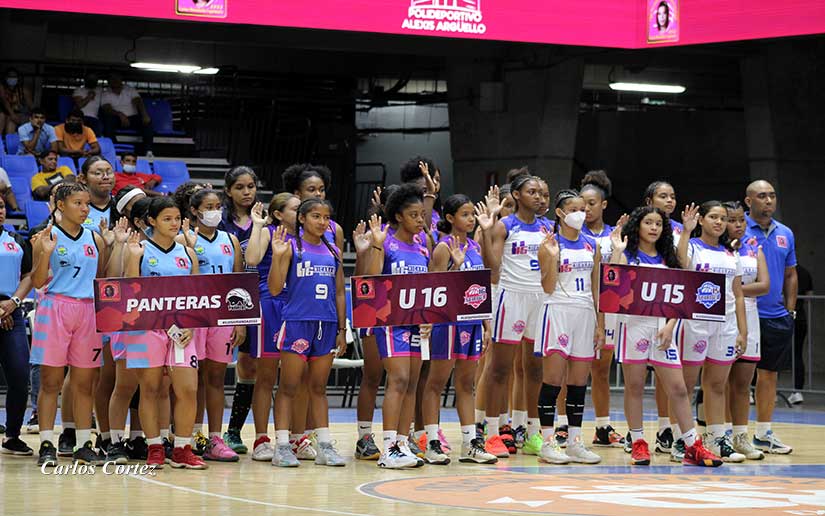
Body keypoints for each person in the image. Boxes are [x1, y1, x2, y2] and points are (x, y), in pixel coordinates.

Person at [609, 206, 722, 467]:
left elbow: (679, 296)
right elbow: (613, 286)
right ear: (638, 225)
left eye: (658, 224)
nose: (653, 228)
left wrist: (671, 326)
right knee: (634, 387)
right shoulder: (627, 254)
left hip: (662, 327)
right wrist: (616, 250)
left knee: (679, 389)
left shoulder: (667, 257)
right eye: (648, 222)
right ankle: (638, 442)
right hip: (633, 325)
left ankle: (693, 445)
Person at [123, 197, 205, 469]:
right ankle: (154, 447)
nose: (173, 223)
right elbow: (128, 293)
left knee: (188, 389)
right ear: (151, 221)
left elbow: (196, 297)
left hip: (180, 329)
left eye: (177, 218)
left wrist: (191, 325)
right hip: (146, 328)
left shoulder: (188, 254)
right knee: (150, 388)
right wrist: (133, 260)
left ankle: (182, 449)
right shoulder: (139, 250)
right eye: (166, 218)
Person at [29, 182, 108, 467]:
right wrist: (46, 252)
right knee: (50, 382)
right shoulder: (45, 237)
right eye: (78, 203)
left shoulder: (95, 239)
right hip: (55, 307)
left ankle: (83, 443)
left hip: (88, 311)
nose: (85, 208)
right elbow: (37, 282)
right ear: (61, 206)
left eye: (86, 203)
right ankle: (47, 442)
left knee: (84, 383)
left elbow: (100, 279)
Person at [268, 198, 347, 467]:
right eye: (316, 216)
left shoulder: (334, 250)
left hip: (325, 325)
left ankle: (324, 445)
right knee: (289, 386)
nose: (322, 222)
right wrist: (277, 257)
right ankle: (281, 445)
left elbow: (338, 292)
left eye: (326, 217)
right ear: (301, 218)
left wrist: (342, 327)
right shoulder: (290, 246)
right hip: (297, 322)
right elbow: (276, 289)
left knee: (318, 387)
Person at [420, 194, 497, 465]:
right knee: (436, 383)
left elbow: (483, 285)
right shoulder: (442, 248)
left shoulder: (475, 245)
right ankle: (431, 442)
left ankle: (470, 443)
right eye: (464, 214)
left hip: (472, 323)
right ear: (450, 218)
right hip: (446, 323)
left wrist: (487, 324)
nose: (470, 219)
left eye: (471, 214)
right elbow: (433, 288)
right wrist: (456, 265)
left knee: (466, 385)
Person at [478, 175, 552, 458]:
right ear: (518, 196)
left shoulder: (548, 227)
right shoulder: (504, 226)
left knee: (535, 370)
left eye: (541, 193)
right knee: (500, 370)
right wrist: (486, 232)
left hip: (539, 299)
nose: (538, 197)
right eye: (531, 192)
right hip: (511, 297)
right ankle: (493, 431)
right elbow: (492, 268)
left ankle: (533, 433)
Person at [360, 184, 432, 469]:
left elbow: (427, 288)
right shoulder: (384, 241)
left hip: (416, 322)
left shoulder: (422, 246)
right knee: (399, 379)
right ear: (399, 216)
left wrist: (427, 319)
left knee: (412, 382)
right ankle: (389, 447)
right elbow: (371, 280)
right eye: (414, 215)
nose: (420, 220)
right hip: (389, 321)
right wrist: (376, 245)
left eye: (422, 214)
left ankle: (403, 443)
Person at [533, 189, 603, 465]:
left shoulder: (591, 244)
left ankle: (575, 442)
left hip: (585, 314)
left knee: (578, 382)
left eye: (583, 208)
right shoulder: (549, 244)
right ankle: (548, 443)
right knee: (552, 380)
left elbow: (597, 287)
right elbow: (547, 286)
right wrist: (551, 258)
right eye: (574, 209)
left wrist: (601, 324)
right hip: (558, 311)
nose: (580, 213)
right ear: (561, 213)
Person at [677, 201, 748, 463]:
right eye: (713, 217)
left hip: (725, 325)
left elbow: (738, 294)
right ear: (702, 220)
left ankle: (716, 439)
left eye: (723, 218)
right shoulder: (693, 246)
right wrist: (686, 231)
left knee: (717, 385)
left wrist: (743, 331)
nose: (719, 222)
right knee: (684, 385)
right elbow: (681, 267)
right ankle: (681, 439)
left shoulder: (732, 255)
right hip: (695, 323)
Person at [179, 188, 245, 462]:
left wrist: (240, 322)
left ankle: (216, 437)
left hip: (223, 316)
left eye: (218, 205)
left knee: (216, 379)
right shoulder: (183, 240)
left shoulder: (231, 240)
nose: (215, 211)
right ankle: (193, 435)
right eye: (208, 206)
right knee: (192, 382)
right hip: (194, 318)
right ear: (194, 211)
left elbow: (239, 282)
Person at [245, 193, 301, 462]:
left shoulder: (308, 237)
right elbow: (253, 259)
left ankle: (292, 437)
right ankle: (261, 438)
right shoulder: (269, 231)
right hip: (270, 305)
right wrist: (256, 225)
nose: (300, 212)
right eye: (295, 209)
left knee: (295, 377)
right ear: (278, 214)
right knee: (266, 376)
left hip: (299, 307)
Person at [743, 180, 796, 454]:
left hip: (776, 316)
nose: (768, 201)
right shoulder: (737, 229)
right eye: (762, 196)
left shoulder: (785, 233)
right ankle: (730, 434)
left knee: (769, 376)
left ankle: (763, 434)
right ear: (749, 201)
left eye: (772, 196)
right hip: (743, 314)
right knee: (736, 378)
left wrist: (790, 309)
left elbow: (791, 273)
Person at [580, 170, 626, 449]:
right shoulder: (570, 234)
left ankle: (602, 427)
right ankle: (562, 426)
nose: (586, 209)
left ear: (604, 205)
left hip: (606, 309)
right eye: (582, 203)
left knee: (600, 370)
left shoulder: (614, 236)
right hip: (577, 304)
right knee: (569, 370)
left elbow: (620, 276)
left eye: (592, 203)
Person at [724, 200, 770, 460]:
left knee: (742, 384)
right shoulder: (714, 249)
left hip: (750, 317)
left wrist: (736, 290)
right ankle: (719, 436)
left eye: (741, 219)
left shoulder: (754, 246)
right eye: (732, 220)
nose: (737, 225)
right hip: (721, 317)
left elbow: (764, 285)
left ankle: (741, 437)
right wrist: (735, 291)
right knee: (717, 383)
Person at [220, 166, 258, 454]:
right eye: (240, 187)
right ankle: (202, 433)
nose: (247, 192)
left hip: (259, 296)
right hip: (225, 298)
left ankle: (234, 432)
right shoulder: (220, 223)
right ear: (228, 191)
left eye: (251, 186)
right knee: (215, 368)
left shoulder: (264, 221)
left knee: (250, 366)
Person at [0, 196, 34, 455]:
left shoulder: (17, 241)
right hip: (4, 310)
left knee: (20, 376)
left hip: (12, 311)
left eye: (1, 206)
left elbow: (28, 277)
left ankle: (12, 435)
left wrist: (12, 303)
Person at [101, 74, 153, 155]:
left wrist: (144, 114)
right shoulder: (106, 93)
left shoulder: (129, 89)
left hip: (132, 118)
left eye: (117, 79)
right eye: (112, 79)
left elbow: (138, 101)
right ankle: (114, 149)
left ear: (121, 80)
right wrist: (120, 114)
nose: (115, 81)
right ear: (109, 82)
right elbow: (107, 108)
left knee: (147, 122)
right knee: (107, 121)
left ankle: (148, 151)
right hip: (117, 118)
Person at [790, 264, 812, 404]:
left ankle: (770, 391)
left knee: (774, 353)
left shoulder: (782, 269)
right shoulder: (804, 271)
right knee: (797, 354)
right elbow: (810, 295)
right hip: (801, 317)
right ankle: (797, 391)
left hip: (784, 316)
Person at [77, 156, 115, 234]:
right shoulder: (74, 208)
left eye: (109, 172)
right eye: (98, 173)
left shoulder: (123, 206)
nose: (106, 177)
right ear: (83, 178)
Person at [1, 68, 33, 136]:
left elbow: (31, 106)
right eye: (10, 76)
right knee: (2, 116)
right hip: (7, 114)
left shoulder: (23, 90)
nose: (12, 78)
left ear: (18, 78)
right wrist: (12, 115)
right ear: (6, 78)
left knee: (11, 122)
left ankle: (9, 143)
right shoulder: (2, 88)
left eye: (14, 76)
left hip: (20, 115)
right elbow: (4, 101)